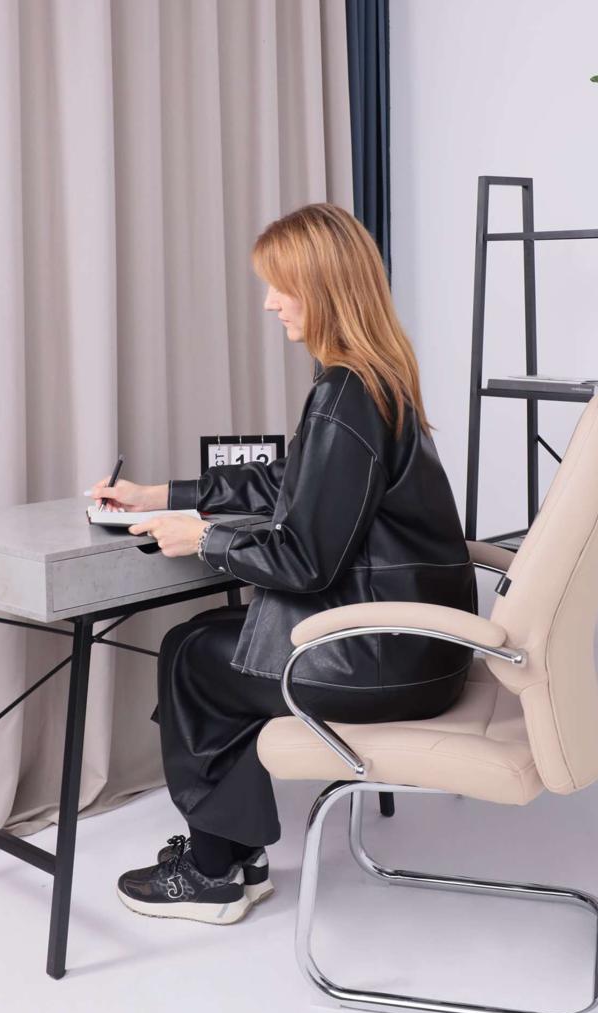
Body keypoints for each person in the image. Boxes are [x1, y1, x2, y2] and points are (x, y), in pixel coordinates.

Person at [89, 203, 476, 925]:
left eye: (282, 286)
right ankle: (234, 855)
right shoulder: (376, 379)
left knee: (191, 657)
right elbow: (292, 483)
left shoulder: (344, 393)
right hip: (425, 651)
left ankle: (213, 873)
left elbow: (304, 562)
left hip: (384, 663)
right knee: (206, 645)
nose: (270, 303)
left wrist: (203, 539)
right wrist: (162, 494)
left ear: (325, 288)